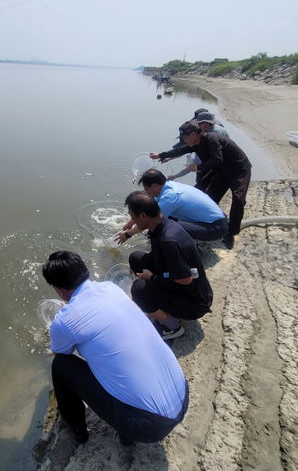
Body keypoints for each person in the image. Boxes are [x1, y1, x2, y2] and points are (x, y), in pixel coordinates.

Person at [43, 250, 189, 445]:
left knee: (61, 365)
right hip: (183, 396)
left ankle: (79, 432)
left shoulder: (64, 321)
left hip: (150, 427)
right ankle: (126, 429)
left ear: (59, 290)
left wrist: (64, 319)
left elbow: (61, 353)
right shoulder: (110, 288)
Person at [124, 191, 213, 339]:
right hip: (177, 282)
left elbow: (186, 280)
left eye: (133, 217)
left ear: (143, 216)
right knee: (136, 258)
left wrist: (151, 278)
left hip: (193, 302)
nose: (132, 221)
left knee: (138, 289)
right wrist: (127, 234)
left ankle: (173, 327)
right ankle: (154, 304)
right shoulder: (161, 225)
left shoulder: (168, 241)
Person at [150, 120, 251, 249]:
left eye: (184, 137)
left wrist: (198, 168)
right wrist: (160, 155)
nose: (183, 140)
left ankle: (230, 233)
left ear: (193, 134)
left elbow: (217, 160)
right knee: (209, 196)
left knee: (238, 199)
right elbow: (180, 150)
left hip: (239, 169)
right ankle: (207, 223)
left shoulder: (212, 139)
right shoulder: (196, 143)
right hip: (223, 171)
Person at [117, 168, 228, 242]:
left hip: (216, 227)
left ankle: (193, 252)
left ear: (155, 186)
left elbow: (150, 220)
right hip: (213, 220)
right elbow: (149, 207)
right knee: (163, 218)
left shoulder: (170, 196)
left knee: (168, 227)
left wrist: (127, 235)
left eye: (146, 189)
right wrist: (130, 222)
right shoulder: (168, 186)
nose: (146, 192)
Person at [167, 110, 229, 184]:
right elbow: (185, 149)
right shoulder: (213, 128)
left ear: (205, 124)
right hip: (218, 162)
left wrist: (174, 176)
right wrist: (169, 157)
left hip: (219, 166)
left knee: (203, 183)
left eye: (197, 124)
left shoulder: (209, 139)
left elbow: (191, 166)